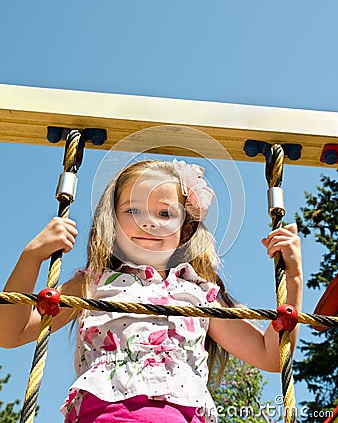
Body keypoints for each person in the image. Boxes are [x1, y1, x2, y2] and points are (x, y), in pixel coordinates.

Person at [0, 159, 303, 423]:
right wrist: (32, 256)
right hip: (104, 415)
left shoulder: (197, 294)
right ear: (113, 222)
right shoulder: (93, 284)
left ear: (185, 227)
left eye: (165, 214)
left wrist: (293, 278)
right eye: (133, 210)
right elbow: (10, 333)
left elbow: (270, 356)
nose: (149, 222)